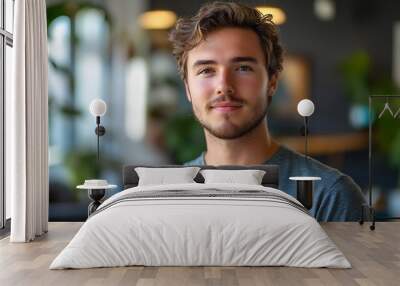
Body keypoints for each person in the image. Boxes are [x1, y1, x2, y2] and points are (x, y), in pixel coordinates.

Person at [168, 1, 365, 221]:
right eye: (206, 70)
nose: (223, 85)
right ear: (187, 88)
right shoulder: (164, 197)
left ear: (272, 82)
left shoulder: (329, 197)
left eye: (243, 68)